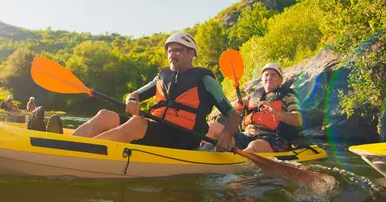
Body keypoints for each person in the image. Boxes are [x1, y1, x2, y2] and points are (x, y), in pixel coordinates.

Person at [71, 32, 240, 151]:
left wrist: (227, 132)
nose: (171, 55)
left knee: (137, 123)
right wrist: (131, 100)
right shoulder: (162, 76)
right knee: (105, 115)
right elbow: (134, 94)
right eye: (169, 51)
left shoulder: (206, 80)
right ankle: (66, 144)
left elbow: (232, 115)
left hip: (183, 137)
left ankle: (84, 152)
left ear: (191, 54)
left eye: (177, 51)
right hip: (156, 129)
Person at [204, 63, 302, 153]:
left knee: (254, 145)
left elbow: (298, 119)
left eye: (273, 75)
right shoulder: (254, 96)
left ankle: (239, 161)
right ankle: (202, 151)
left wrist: (276, 112)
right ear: (262, 79)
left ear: (280, 80)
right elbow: (233, 106)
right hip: (246, 136)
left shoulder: (288, 96)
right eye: (266, 75)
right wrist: (237, 105)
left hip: (272, 139)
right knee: (212, 126)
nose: (269, 78)